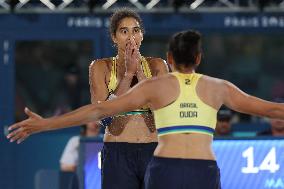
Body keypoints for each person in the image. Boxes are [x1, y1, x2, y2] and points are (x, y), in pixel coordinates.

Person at [7, 30, 284, 189]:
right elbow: (272, 110)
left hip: (165, 169)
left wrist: (44, 124)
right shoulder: (219, 87)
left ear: (169, 58)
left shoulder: (155, 87)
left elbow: (97, 111)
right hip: (203, 170)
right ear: (199, 57)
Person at [89, 8, 169, 189]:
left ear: (141, 36)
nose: (131, 37)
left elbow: (163, 113)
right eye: (124, 31)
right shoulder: (100, 67)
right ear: (114, 37)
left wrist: (140, 73)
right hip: (118, 153)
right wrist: (128, 75)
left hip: (153, 149)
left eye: (136, 30)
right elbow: (104, 116)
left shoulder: (157, 66)